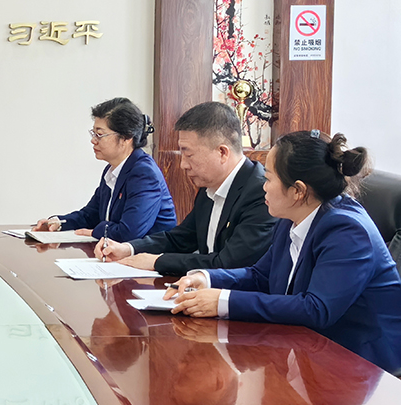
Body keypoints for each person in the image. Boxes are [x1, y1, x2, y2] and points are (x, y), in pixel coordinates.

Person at [166, 130, 401, 374]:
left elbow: (316, 309)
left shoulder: (347, 230)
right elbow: (260, 275)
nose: (263, 187)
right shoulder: (292, 217)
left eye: (268, 178)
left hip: (363, 365)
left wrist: (223, 302)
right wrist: (206, 278)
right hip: (309, 350)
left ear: (298, 191)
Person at [95, 102, 276, 276]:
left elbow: (229, 263)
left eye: (188, 155)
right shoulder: (209, 187)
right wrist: (128, 249)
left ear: (222, 152)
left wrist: (157, 261)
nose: (183, 165)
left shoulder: (261, 193)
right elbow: (181, 238)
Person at [32, 98, 176, 241]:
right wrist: (59, 222)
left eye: (100, 135)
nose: (93, 140)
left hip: (149, 253)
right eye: (93, 133)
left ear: (126, 137)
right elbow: (91, 215)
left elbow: (129, 232)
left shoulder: (144, 173)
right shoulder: (112, 170)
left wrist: (95, 231)